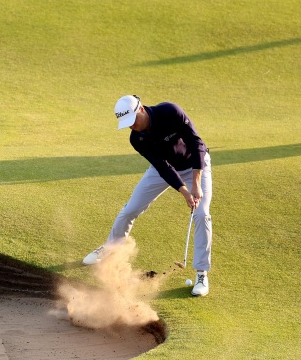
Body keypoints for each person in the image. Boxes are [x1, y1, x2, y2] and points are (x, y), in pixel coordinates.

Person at [83, 95, 213, 297]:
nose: (132, 127)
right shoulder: (136, 138)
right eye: (127, 124)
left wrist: (195, 183)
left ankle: (201, 273)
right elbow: (163, 166)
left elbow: (196, 143)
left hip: (196, 164)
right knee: (131, 209)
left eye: (133, 121)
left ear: (141, 109)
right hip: (165, 169)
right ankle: (110, 248)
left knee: (201, 214)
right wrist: (183, 191)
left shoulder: (170, 111)